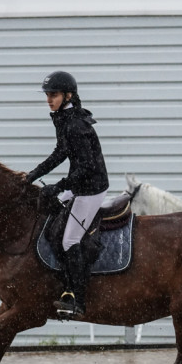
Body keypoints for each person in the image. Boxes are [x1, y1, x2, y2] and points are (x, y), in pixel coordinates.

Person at [24, 70, 110, 319]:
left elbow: (86, 168)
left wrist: (59, 186)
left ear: (68, 95)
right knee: (50, 221)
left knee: (69, 241)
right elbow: (59, 153)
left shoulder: (75, 125)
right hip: (80, 184)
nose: (49, 99)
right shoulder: (64, 117)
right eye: (48, 95)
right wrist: (32, 174)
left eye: (54, 95)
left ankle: (78, 299)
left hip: (91, 189)